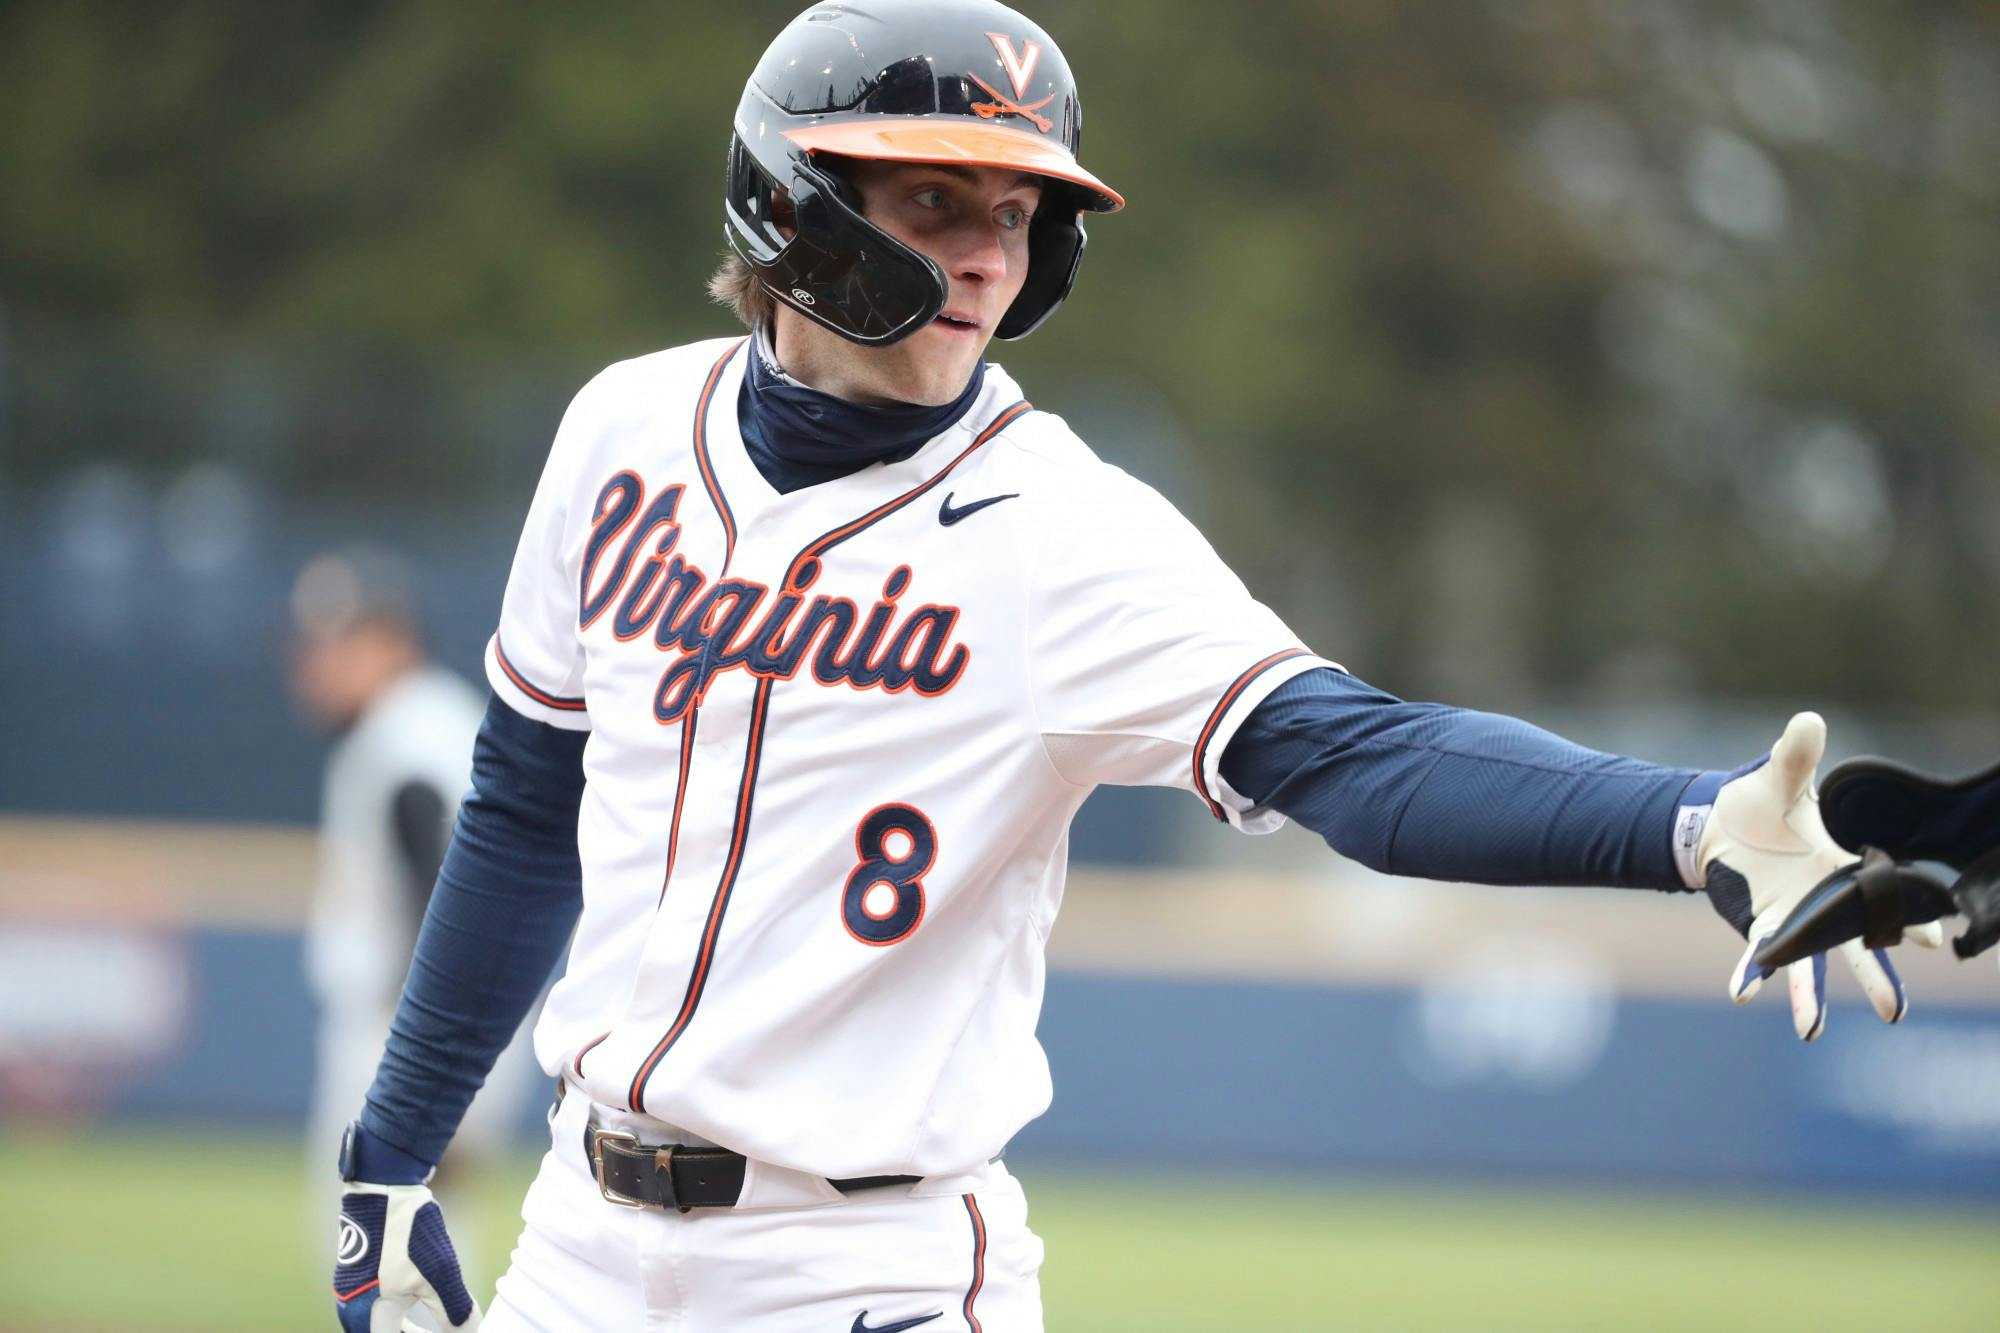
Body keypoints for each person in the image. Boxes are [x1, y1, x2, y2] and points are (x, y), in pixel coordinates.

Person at [326, 4, 1940, 1329]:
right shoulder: (621, 431)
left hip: (861, 1266)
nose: (986, 254)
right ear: (792, 204)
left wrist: (1691, 822)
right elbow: (525, 808)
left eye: (1015, 214)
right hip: (579, 1242)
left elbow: (1355, 756)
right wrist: (395, 1148)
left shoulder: (1060, 532)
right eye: (936, 199)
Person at [288, 549, 538, 1294]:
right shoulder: (432, 720)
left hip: (408, 1032)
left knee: (382, 1258)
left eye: (338, 642)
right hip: (443, 1025)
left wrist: (429, 1062)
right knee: (416, 1249)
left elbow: (448, 889)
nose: (315, 663)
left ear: (392, 641)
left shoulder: (408, 733)